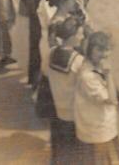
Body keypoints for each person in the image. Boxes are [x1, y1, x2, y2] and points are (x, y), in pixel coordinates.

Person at [74, 31, 119, 164]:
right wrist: (108, 75)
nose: (104, 54)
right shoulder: (87, 76)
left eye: (107, 49)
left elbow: (114, 92)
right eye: (100, 50)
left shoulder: (97, 66)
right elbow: (110, 99)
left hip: (105, 127)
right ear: (90, 50)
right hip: (97, 132)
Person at [48, 18, 86, 164]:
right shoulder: (78, 61)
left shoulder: (50, 53)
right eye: (80, 34)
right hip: (73, 114)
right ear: (72, 36)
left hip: (58, 109)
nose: (82, 37)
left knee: (60, 150)